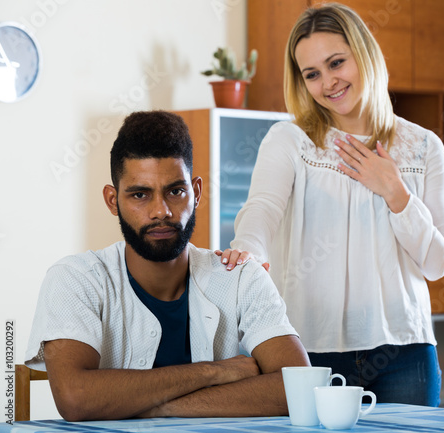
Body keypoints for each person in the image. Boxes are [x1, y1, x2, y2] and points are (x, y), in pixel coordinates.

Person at [218, 3, 444, 406]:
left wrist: (395, 192)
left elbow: (437, 263)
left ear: (363, 54)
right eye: (312, 74)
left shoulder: (424, 147)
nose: (328, 82)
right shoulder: (290, 140)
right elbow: (262, 208)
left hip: (405, 352)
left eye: (336, 63)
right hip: (309, 350)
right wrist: (249, 247)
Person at [25, 110, 310, 421]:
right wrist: (212, 372)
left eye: (175, 191)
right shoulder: (75, 279)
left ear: (196, 192)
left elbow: (300, 387)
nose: (160, 211)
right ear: (112, 200)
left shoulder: (241, 276)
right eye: (139, 195)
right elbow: (75, 399)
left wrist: (150, 406)